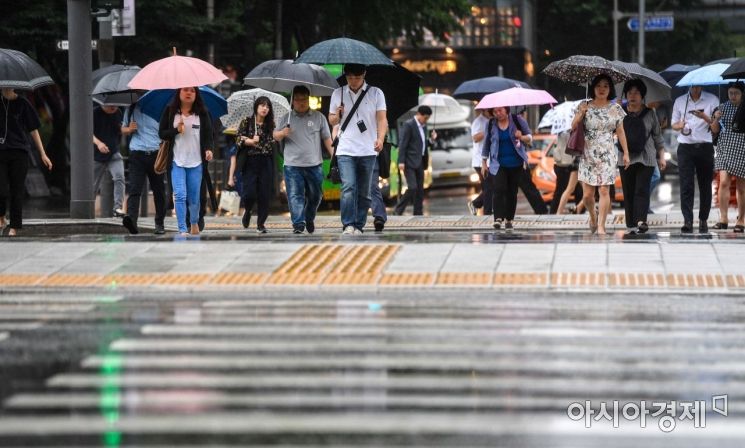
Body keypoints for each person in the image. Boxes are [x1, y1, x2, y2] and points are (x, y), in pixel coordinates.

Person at [328, 63, 387, 234]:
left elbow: (382, 119)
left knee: (364, 191)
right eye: (350, 77)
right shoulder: (337, 93)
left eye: (357, 77)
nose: (353, 81)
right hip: (345, 148)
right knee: (348, 187)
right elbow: (332, 120)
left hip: (368, 150)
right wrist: (338, 114)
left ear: (364, 74)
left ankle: (359, 224)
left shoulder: (376, 93)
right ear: (345, 76)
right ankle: (348, 224)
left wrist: (380, 139)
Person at [572, 74, 630, 235]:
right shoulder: (584, 105)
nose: (602, 89)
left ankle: (601, 226)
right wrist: (581, 113)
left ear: (610, 89)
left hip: (607, 152)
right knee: (587, 196)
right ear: (593, 88)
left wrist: (625, 153)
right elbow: (573, 126)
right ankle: (592, 216)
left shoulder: (616, 109)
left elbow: (620, 131)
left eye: (605, 86)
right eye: (598, 85)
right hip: (588, 152)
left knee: (604, 190)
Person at [274, 85, 333, 234]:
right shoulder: (285, 118)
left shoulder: (319, 117)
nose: (301, 102)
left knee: (316, 195)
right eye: (298, 99)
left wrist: (334, 157)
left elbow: (327, 138)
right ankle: (298, 224)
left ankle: (309, 216)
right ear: (292, 101)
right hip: (292, 165)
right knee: (295, 195)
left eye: (304, 99)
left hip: (314, 165)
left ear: (309, 99)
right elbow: (274, 136)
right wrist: (283, 133)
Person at [158, 87, 214, 236]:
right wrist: (176, 130)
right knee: (180, 195)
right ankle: (182, 228)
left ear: (196, 95)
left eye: (192, 91)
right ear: (179, 93)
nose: (189, 93)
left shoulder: (202, 113)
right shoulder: (170, 111)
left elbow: (209, 135)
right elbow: (162, 133)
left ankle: (194, 222)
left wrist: (209, 149)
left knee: (194, 197)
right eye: (185, 90)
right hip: (177, 161)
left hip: (196, 162)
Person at [0, 88, 53, 236]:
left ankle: (14, 227)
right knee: (1, 190)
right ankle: (1, 218)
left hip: (19, 152)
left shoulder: (23, 103)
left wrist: (43, 154)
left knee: (17, 191)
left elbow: (33, 130)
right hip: (0, 152)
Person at [618, 79, 665, 234]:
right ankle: (631, 222)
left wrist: (662, 156)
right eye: (630, 92)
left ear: (642, 96)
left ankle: (641, 220)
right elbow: (611, 131)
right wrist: (615, 108)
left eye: (636, 92)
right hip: (625, 157)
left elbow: (658, 136)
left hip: (647, 158)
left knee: (641, 189)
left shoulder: (650, 113)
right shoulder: (619, 111)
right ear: (625, 94)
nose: (633, 95)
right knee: (628, 190)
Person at [671, 84, 719, 233]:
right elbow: (673, 124)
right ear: (689, 85)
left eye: (698, 86)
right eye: (693, 86)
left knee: (705, 185)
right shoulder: (680, 101)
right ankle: (688, 220)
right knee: (686, 184)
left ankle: (703, 219)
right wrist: (679, 125)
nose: (696, 89)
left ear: (702, 85)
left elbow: (716, 129)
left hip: (705, 147)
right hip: (685, 147)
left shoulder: (712, 100)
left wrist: (705, 117)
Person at [481, 106, 532, 231]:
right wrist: (483, 163)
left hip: (516, 163)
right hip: (498, 163)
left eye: (500, 110)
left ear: (507, 110)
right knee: (499, 188)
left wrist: (521, 137)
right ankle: (498, 218)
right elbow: (486, 143)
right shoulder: (491, 123)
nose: (498, 114)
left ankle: (509, 220)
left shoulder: (517, 120)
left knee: (512, 192)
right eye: (495, 111)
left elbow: (530, 138)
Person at [121, 102, 166, 235]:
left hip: (156, 154)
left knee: (159, 191)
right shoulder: (131, 108)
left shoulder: (160, 107)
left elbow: (165, 131)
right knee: (134, 189)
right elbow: (122, 128)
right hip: (137, 153)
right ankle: (132, 221)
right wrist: (129, 129)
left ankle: (159, 224)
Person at [236, 96, 276, 233]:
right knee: (249, 193)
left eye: (267, 106)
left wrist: (272, 135)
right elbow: (238, 139)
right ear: (256, 107)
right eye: (262, 105)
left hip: (265, 161)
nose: (265, 108)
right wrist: (250, 141)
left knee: (264, 194)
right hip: (250, 161)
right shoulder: (246, 122)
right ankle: (248, 210)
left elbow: (272, 143)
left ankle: (261, 223)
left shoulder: (271, 125)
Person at [711, 81, 745, 232]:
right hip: (725, 147)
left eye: (736, 93)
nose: (733, 96)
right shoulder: (722, 107)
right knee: (723, 182)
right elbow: (714, 130)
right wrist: (716, 118)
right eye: (730, 93)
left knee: (741, 186)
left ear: (742, 94)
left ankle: (741, 219)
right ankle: (723, 218)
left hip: (742, 147)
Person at [394, 105, 436, 216]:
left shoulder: (424, 126)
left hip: (420, 161)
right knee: (412, 187)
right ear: (419, 114)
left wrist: (431, 140)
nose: (426, 120)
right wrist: (401, 161)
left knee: (420, 189)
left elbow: (422, 143)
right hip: (409, 161)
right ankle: (398, 210)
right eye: (425, 118)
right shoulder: (409, 125)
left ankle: (418, 213)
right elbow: (403, 144)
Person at [92, 104, 125, 218]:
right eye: (111, 106)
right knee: (93, 184)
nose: (113, 108)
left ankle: (118, 208)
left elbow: (119, 130)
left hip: (114, 153)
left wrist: (127, 129)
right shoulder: (95, 113)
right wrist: (99, 143)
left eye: (116, 106)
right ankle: (89, 208)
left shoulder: (118, 112)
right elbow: (88, 132)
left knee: (119, 177)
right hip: (97, 155)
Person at [551, 130, 582, 214]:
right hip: (571, 163)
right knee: (569, 189)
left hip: (574, 162)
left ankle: (579, 209)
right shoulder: (564, 133)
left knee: (584, 191)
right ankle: (559, 212)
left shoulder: (568, 132)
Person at [468, 108, 492, 215]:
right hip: (479, 161)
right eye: (489, 111)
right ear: (484, 110)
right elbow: (475, 138)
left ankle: (478, 205)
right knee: (489, 186)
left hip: (489, 160)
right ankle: (485, 210)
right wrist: (487, 131)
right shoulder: (478, 122)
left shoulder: (491, 120)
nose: (491, 113)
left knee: (489, 186)